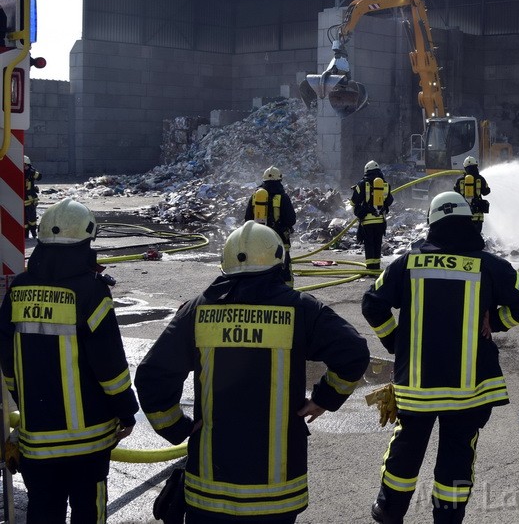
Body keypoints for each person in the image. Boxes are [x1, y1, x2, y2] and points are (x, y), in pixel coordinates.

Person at [135, 220, 370, 523]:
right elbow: (353, 351)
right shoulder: (302, 309)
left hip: (210, 490)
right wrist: (324, 398)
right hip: (277, 491)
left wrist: (176, 427)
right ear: (279, 261)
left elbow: (153, 375)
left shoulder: (197, 311)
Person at [362, 191, 519, 524]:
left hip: (417, 384)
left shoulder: (407, 263)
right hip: (469, 389)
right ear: (468, 223)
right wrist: (498, 320)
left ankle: (389, 509)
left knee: (407, 448)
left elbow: (372, 303)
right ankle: (448, 517)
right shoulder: (490, 265)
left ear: (432, 223)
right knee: (458, 455)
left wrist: (395, 342)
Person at [0, 198, 139, 522]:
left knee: (43, 512)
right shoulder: (91, 292)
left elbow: (8, 358)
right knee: (88, 514)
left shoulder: (18, 289)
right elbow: (110, 367)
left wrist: (23, 399)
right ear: (85, 241)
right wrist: (126, 411)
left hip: (38, 440)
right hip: (88, 443)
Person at [244, 166, 296, 285]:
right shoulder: (282, 197)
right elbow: (291, 220)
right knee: (284, 269)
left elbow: (247, 219)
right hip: (280, 240)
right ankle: (287, 294)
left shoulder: (255, 197)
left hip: (258, 239)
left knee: (259, 267)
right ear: (279, 180)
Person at [351, 160, 394, 274]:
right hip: (380, 220)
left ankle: (370, 268)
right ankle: (376, 267)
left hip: (367, 220)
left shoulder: (362, 184)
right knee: (377, 243)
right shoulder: (385, 184)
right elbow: (389, 201)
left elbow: (354, 201)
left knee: (369, 244)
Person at [453, 156, 490, 232]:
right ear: (476, 166)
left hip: (464, 215)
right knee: (476, 236)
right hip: (478, 216)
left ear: (465, 167)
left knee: (465, 236)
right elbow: (486, 192)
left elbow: (455, 194)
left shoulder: (460, 180)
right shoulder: (481, 179)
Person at [23, 154, 42, 238]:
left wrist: (31, 171)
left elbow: (39, 177)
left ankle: (33, 233)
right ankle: (26, 234)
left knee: (32, 218)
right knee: (25, 218)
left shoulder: (31, 172)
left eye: (25, 165)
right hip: (25, 198)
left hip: (30, 199)